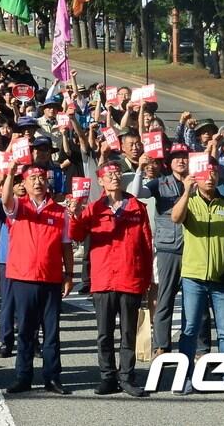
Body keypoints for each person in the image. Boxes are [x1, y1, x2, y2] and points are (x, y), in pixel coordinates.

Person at [169, 160, 224, 396]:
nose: (210, 177)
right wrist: (186, 191)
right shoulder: (190, 202)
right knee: (190, 328)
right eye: (206, 173)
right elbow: (176, 218)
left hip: (222, 278)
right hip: (193, 277)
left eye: (214, 173)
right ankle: (185, 376)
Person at [68, 162, 151, 397]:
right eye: (109, 175)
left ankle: (126, 376)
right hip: (103, 279)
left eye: (116, 174)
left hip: (130, 277)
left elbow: (146, 245)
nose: (114, 177)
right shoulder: (93, 209)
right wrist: (75, 215)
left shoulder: (137, 207)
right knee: (104, 333)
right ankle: (107, 376)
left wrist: (146, 280)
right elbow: (76, 234)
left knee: (128, 332)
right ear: (101, 181)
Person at [0, 165, 73, 395]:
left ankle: (52, 377)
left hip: (51, 278)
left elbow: (66, 246)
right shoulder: (19, 207)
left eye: (41, 178)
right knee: (26, 331)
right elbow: (6, 199)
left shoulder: (60, 212)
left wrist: (68, 274)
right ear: (25, 183)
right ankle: (23, 376)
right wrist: (10, 174)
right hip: (23, 277)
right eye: (32, 178)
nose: (38, 182)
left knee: (51, 331)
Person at [128, 143, 187, 354]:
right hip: (168, 247)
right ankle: (161, 345)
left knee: (196, 300)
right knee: (164, 297)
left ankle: (198, 346)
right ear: (169, 162)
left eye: (185, 156)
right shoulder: (159, 183)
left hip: (194, 247)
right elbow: (136, 194)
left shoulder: (198, 181)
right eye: (177, 157)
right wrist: (139, 169)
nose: (181, 160)